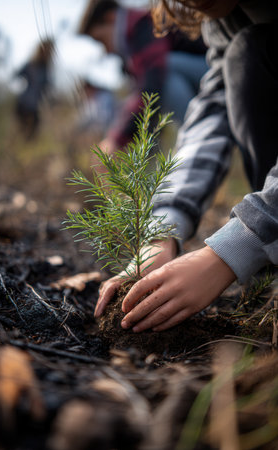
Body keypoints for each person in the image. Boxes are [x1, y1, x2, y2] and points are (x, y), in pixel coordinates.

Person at [95, 0, 278, 333]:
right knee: (245, 54)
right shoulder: (221, 19)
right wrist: (162, 229)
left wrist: (233, 250)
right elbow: (213, 112)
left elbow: (152, 79)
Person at [78, 0, 208, 154]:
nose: (105, 50)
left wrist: (116, 138)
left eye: (100, 40)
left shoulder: (144, 25)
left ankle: (200, 140)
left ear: (111, 18)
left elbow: (150, 86)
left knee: (164, 71)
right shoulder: (131, 48)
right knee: (152, 86)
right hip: (196, 79)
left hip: (213, 69)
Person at [15, 38, 54, 140]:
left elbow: (48, 87)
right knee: (21, 132)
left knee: (32, 135)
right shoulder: (31, 65)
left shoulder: (46, 69)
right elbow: (17, 74)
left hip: (35, 106)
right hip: (23, 104)